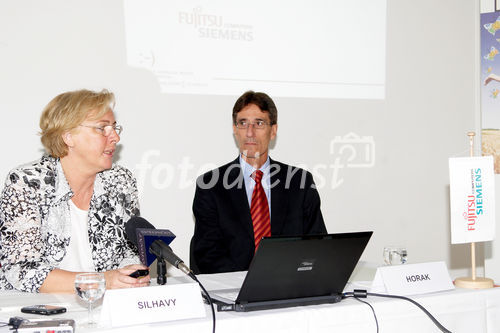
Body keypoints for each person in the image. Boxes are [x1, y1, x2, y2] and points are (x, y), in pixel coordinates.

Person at [0, 89, 150, 293]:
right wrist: (101, 280)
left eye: (115, 128)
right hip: (35, 308)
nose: (115, 137)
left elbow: (129, 250)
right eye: (102, 128)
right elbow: (22, 270)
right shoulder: (27, 182)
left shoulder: (120, 181)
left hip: (104, 306)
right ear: (68, 136)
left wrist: (131, 274)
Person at [190, 90, 327, 274]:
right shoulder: (210, 185)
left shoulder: (300, 183)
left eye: (259, 123)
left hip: (289, 288)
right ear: (234, 129)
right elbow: (207, 254)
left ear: (273, 130)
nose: (250, 132)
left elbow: (317, 246)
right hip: (234, 290)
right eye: (243, 123)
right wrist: (250, 283)